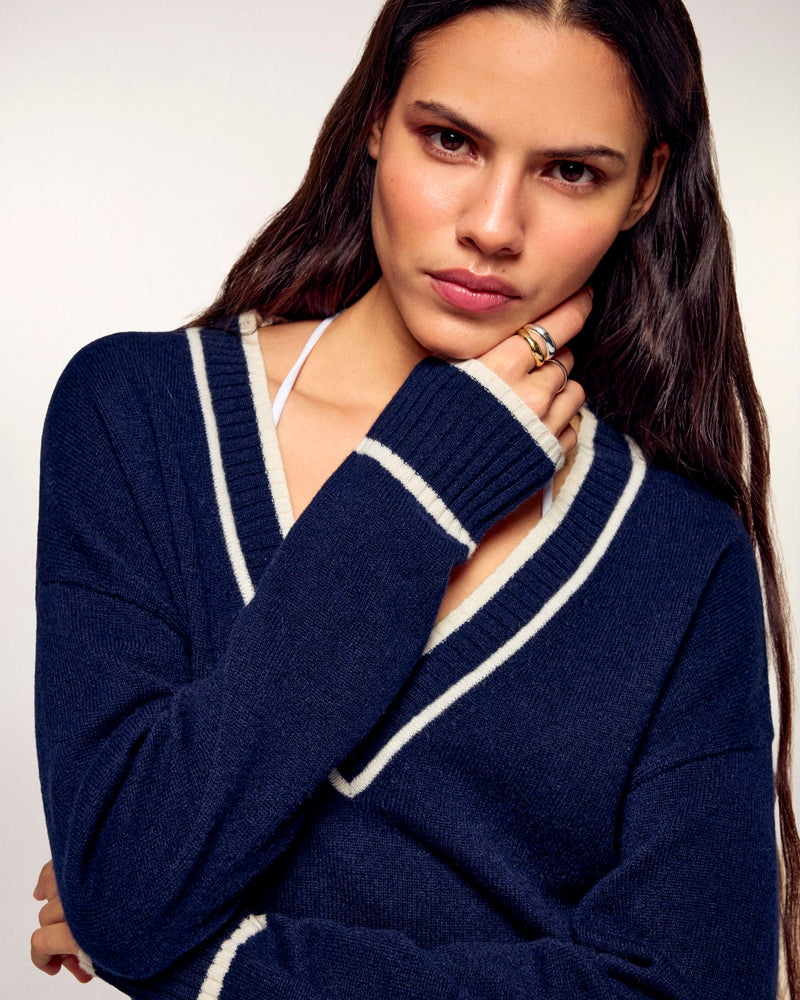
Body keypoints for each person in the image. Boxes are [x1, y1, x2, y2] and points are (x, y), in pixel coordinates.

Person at [30, 0, 798, 997]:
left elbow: (694, 987)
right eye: (449, 140)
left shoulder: (677, 554)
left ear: (644, 186)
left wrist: (217, 970)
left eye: (570, 171)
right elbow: (129, 883)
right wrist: (418, 488)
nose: (492, 226)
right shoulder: (138, 417)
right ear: (373, 119)